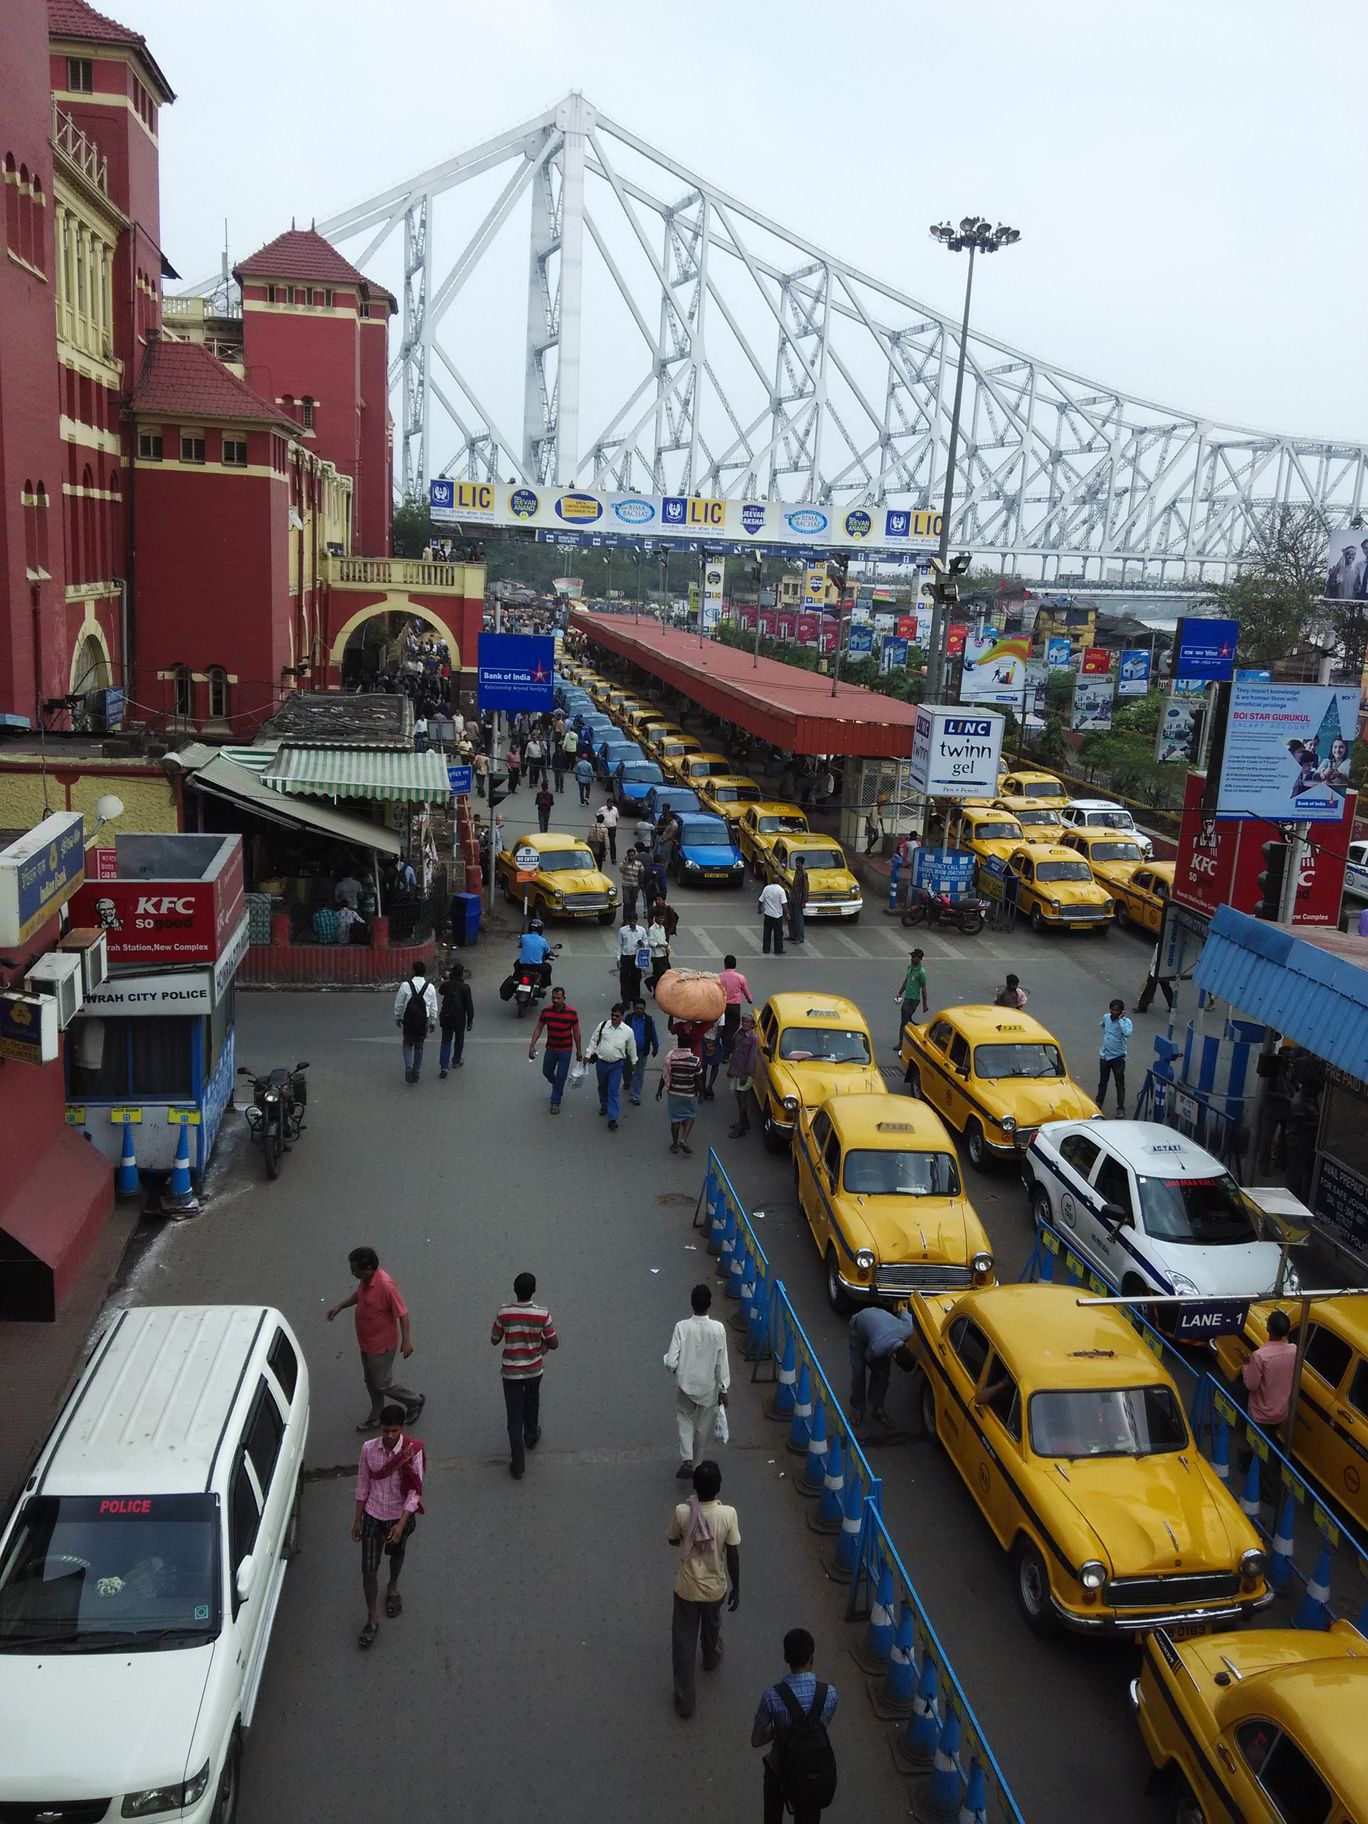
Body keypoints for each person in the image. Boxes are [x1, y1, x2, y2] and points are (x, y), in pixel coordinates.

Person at [666, 1459, 740, 1720]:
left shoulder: (682, 1512)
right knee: (712, 1626)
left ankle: (685, 1702)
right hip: (715, 1589)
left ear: (695, 1486)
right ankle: (711, 1656)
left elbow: (673, 1539)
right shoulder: (728, 1514)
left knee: (683, 1642)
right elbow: (733, 1555)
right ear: (719, 1487)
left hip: (686, 1588)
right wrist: (736, 1588)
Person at [326, 1247, 425, 1431]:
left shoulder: (386, 1285)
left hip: (381, 1347)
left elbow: (402, 1313)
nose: (352, 1273)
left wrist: (406, 1341)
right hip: (367, 1344)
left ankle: (415, 1401)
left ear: (369, 1267)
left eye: (356, 1270)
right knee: (371, 1381)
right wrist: (340, 1306)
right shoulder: (366, 1281)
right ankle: (377, 1415)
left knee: (382, 1383)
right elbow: (359, 1295)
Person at [352, 1403, 425, 1650]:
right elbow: (362, 1484)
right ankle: (372, 1618)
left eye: (394, 1431)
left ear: (402, 1428)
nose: (390, 1436)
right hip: (373, 1514)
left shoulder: (412, 1451)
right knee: (368, 1569)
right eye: (386, 1431)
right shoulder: (368, 1450)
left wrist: (402, 1524)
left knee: (396, 1555)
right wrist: (357, 1519)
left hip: (397, 1516)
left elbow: (415, 1492)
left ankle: (392, 1585)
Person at [751, 1628, 839, 1824]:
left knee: (772, 1817)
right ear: (812, 1658)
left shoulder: (772, 1697)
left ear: (785, 1657)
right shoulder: (829, 1694)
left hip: (779, 1770)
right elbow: (823, 1726)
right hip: (812, 1771)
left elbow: (756, 1740)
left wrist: (778, 1731)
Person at [490, 1271, 559, 1481]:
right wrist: (542, 1346)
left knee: (514, 1416)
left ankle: (518, 1464)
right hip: (533, 1370)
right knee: (532, 1400)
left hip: (511, 1372)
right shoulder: (543, 1314)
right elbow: (554, 1343)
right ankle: (530, 1435)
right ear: (534, 1291)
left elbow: (494, 1339)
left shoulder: (504, 1312)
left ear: (514, 1289)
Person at [664, 1284, 731, 1476]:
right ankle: (697, 1464)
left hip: (686, 1386)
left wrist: (673, 1367)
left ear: (692, 1303)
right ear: (709, 1304)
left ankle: (686, 1457)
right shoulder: (718, 1329)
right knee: (702, 1428)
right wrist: (723, 1389)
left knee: (684, 1418)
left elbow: (670, 1362)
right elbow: (721, 1363)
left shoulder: (681, 1327)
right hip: (709, 1388)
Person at [848, 1303, 915, 1426]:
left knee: (882, 1373)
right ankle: (857, 1408)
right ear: (895, 1356)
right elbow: (868, 1358)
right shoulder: (876, 1348)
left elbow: (904, 1310)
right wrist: (880, 1373)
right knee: (859, 1371)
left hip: (877, 1316)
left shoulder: (908, 1329)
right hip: (858, 1327)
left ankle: (877, 1409)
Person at [528, 985, 582, 1112]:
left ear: (564, 998)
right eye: (553, 998)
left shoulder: (572, 1013)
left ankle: (555, 1101)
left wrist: (579, 1051)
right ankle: (556, 1084)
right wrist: (532, 1045)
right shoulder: (546, 1012)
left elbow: (576, 1033)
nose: (555, 1000)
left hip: (565, 1050)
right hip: (551, 1048)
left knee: (561, 1076)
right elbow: (539, 1027)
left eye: (558, 998)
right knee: (547, 1071)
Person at [585, 1002, 638, 1130]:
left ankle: (612, 1117)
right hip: (601, 1063)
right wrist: (588, 1054)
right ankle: (604, 1105)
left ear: (622, 1016)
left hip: (616, 1065)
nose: (614, 1018)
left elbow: (631, 1048)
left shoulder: (628, 1032)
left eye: (617, 1016)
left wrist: (634, 1062)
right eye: (612, 1015)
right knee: (602, 1086)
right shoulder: (603, 1026)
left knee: (613, 1091)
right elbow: (593, 1040)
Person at [1242, 1308, 1296, 1429]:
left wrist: (1246, 1367)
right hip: (1281, 1412)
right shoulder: (1294, 1350)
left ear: (1268, 1328)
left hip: (1260, 1414)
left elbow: (1251, 1384)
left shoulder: (1260, 1356)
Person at [394, 961, 438, 1083]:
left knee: (407, 1044)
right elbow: (433, 1006)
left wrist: (398, 1016)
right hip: (423, 1021)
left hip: (408, 1021)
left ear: (413, 971)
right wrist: (433, 1021)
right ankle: (416, 1071)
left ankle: (408, 1066)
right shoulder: (429, 987)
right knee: (419, 1046)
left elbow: (399, 1003)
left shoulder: (405, 985)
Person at [658, 1038, 702, 1153]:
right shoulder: (695, 1060)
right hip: (689, 1093)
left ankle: (675, 1144)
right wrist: (700, 1092)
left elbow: (664, 1076)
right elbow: (699, 1079)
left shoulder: (671, 1059)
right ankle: (684, 1138)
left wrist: (659, 1090)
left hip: (674, 1093)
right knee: (690, 1115)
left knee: (675, 1119)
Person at [1097, 998, 1133, 1113]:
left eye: (1117, 1011)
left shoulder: (1126, 1022)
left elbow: (1127, 1033)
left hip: (1118, 1057)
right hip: (1105, 1055)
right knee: (1103, 1081)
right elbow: (1102, 1026)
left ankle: (1120, 1107)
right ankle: (1099, 1102)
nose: (1114, 1013)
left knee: (1119, 1083)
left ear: (1121, 1011)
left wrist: (1121, 1020)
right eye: (1112, 1010)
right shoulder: (1106, 1017)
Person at [438, 964, 474, 1077]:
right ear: (462, 973)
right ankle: (456, 1060)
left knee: (446, 1040)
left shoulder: (446, 985)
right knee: (459, 1039)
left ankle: (444, 1065)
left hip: (447, 1016)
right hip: (459, 1018)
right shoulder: (465, 987)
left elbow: (440, 990)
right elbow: (469, 1006)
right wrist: (470, 1021)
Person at [727, 1011, 759, 1137]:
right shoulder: (739, 1033)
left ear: (752, 1024)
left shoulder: (753, 1038)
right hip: (736, 1070)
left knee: (742, 1099)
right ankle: (744, 1122)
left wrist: (746, 1075)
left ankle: (741, 1128)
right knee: (738, 1098)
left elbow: (752, 1058)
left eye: (747, 1022)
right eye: (743, 1021)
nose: (745, 1024)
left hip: (745, 1074)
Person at [627, 996, 660, 1104]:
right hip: (627, 1052)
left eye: (641, 1008)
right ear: (634, 1008)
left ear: (644, 1008)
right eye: (637, 1008)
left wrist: (656, 1047)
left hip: (642, 1052)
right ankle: (628, 1081)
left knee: (639, 1073)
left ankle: (635, 1095)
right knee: (627, 1071)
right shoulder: (628, 1019)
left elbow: (653, 1034)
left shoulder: (649, 1021)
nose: (639, 1010)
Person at [719, 954, 753, 1056]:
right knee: (732, 1029)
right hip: (734, 1008)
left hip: (722, 1007)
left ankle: (724, 1048)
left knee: (722, 1028)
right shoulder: (740, 978)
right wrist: (749, 999)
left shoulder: (719, 977)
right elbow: (746, 991)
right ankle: (727, 1051)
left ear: (725, 965)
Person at [617, 912, 650, 1004]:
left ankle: (635, 998)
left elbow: (646, 941)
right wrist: (618, 958)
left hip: (636, 957)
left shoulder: (641, 930)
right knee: (624, 979)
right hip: (626, 957)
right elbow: (619, 945)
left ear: (636, 921)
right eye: (630, 921)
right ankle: (626, 1000)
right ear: (628, 921)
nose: (632, 923)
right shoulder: (622, 931)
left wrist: (642, 943)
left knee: (636, 978)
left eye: (633, 921)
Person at [515, 918, 556, 989]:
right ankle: (544, 985)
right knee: (548, 968)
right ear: (541, 930)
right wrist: (554, 954)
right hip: (537, 966)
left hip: (523, 965)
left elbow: (520, 945)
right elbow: (548, 951)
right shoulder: (542, 941)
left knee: (516, 963)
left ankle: (516, 979)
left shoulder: (524, 937)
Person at [897, 950, 928, 1039]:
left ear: (920, 959)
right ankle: (916, 1028)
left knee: (904, 1022)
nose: (912, 958)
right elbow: (906, 981)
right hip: (907, 997)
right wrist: (900, 993)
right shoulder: (910, 967)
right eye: (912, 956)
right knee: (907, 1019)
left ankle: (901, 1043)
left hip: (913, 1000)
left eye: (914, 957)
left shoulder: (921, 972)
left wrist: (925, 1004)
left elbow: (924, 989)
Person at [1136, 942, 1174, 1013]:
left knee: (1149, 988)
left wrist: (1150, 968)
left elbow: (1154, 959)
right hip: (1165, 970)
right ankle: (1172, 1005)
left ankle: (1142, 1007)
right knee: (1166, 988)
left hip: (1156, 970)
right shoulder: (1171, 945)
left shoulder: (1159, 945)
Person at [759, 876, 788, 955]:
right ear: (779, 881)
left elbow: (760, 900)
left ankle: (766, 949)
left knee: (767, 932)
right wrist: (787, 913)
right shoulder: (781, 890)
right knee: (778, 933)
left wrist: (759, 909)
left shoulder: (766, 888)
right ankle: (778, 950)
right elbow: (784, 904)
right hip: (777, 916)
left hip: (768, 914)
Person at [646, 907, 672, 992]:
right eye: (660, 918)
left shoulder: (662, 928)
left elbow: (663, 939)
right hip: (656, 955)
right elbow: (651, 942)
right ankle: (650, 982)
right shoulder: (652, 929)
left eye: (663, 918)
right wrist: (661, 945)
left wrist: (666, 946)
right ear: (656, 917)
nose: (662, 920)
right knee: (658, 974)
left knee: (665, 973)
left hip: (663, 954)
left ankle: (655, 987)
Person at [788, 856, 809, 945]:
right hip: (793, 898)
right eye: (796, 863)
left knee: (798, 920)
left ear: (802, 863)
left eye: (798, 863)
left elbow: (806, 887)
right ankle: (792, 935)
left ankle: (800, 937)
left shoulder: (803, 874)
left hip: (799, 899)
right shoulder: (797, 872)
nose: (797, 864)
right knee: (791, 918)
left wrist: (804, 900)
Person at [619, 845, 643, 921]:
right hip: (626, 885)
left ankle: (632, 919)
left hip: (635, 886)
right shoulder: (623, 863)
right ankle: (625, 919)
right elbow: (621, 870)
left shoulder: (639, 864)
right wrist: (626, 862)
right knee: (626, 902)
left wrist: (640, 884)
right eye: (630, 855)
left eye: (632, 855)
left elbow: (642, 872)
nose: (631, 857)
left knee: (633, 903)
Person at [700, 1024, 723, 1101]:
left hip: (705, 1041)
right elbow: (720, 1032)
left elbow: (699, 1028)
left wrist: (707, 1044)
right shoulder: (720, 1015)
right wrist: (713, 1045)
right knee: (715, 1065)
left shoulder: (703, 1012)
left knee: (703, 1067)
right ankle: (709, 1086)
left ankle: (703, 1090)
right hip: (714, 1042)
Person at [601, 797, 619, 862]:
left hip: (612, 828)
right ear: (607, 803)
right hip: (604, 828)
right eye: (609, 803)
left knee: (612, 843)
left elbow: (617, 817)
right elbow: (597, 815)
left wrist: (615, 824)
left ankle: (613, 858)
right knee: (603, 842)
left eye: (611, 803)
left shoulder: (615, 809)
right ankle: (603, 856)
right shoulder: (602, 809)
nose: (610, 805)